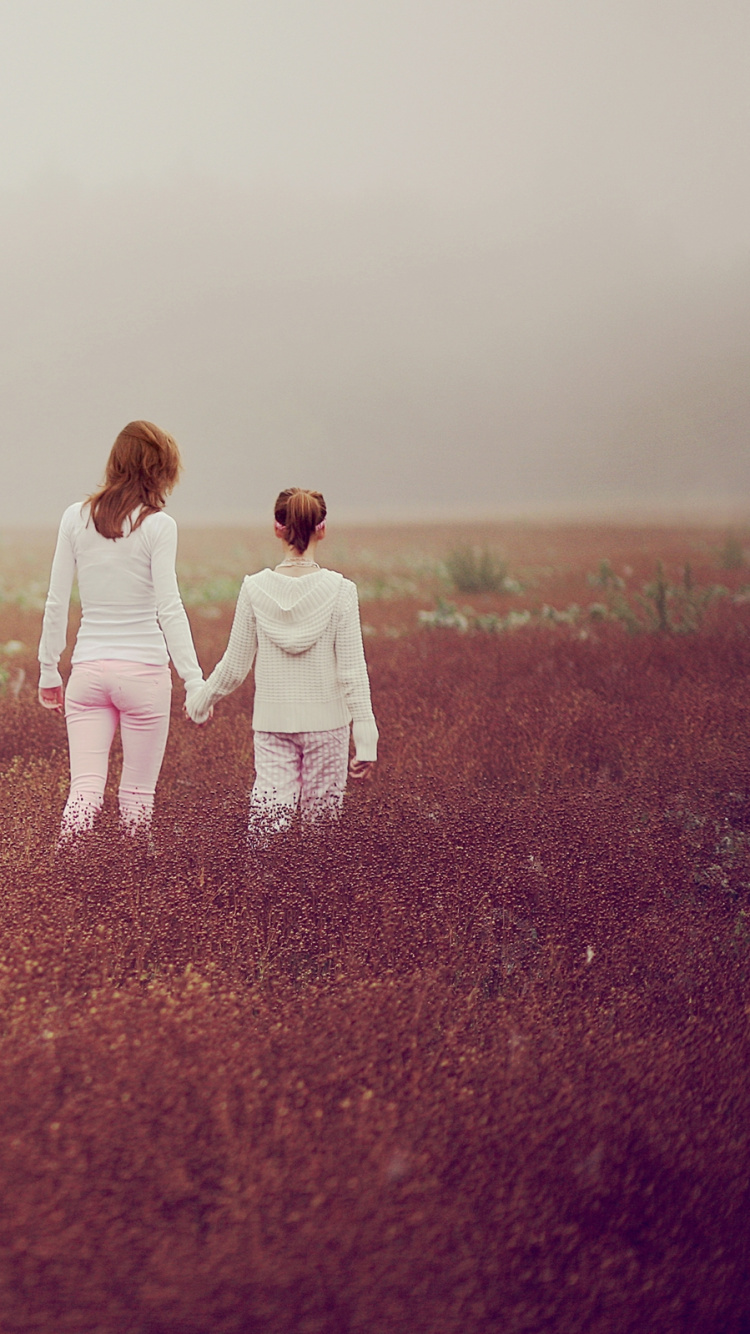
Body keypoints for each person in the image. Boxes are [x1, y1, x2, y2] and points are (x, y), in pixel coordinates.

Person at [38, 420, 204, 838]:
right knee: (136, 796)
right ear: (161, 469)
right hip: (143, 674)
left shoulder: (74, 518)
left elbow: (57, 599)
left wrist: (47, 669)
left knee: (84, 791)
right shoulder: (159, 526)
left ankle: (63, 882)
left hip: (88, 674)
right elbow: (170, 607)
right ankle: (135, 889)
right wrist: (193, 679)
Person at [185, 487, 378, 836]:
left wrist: (200, 701)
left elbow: (234, 665)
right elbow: (352, 672)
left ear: (278, 528)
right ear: (322, 528)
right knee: (322, 833)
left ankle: (263, 889)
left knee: (267, 825)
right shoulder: (340, 590)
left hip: (272, 724)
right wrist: (366, 739)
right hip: (328, 725)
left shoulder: (254, 588)